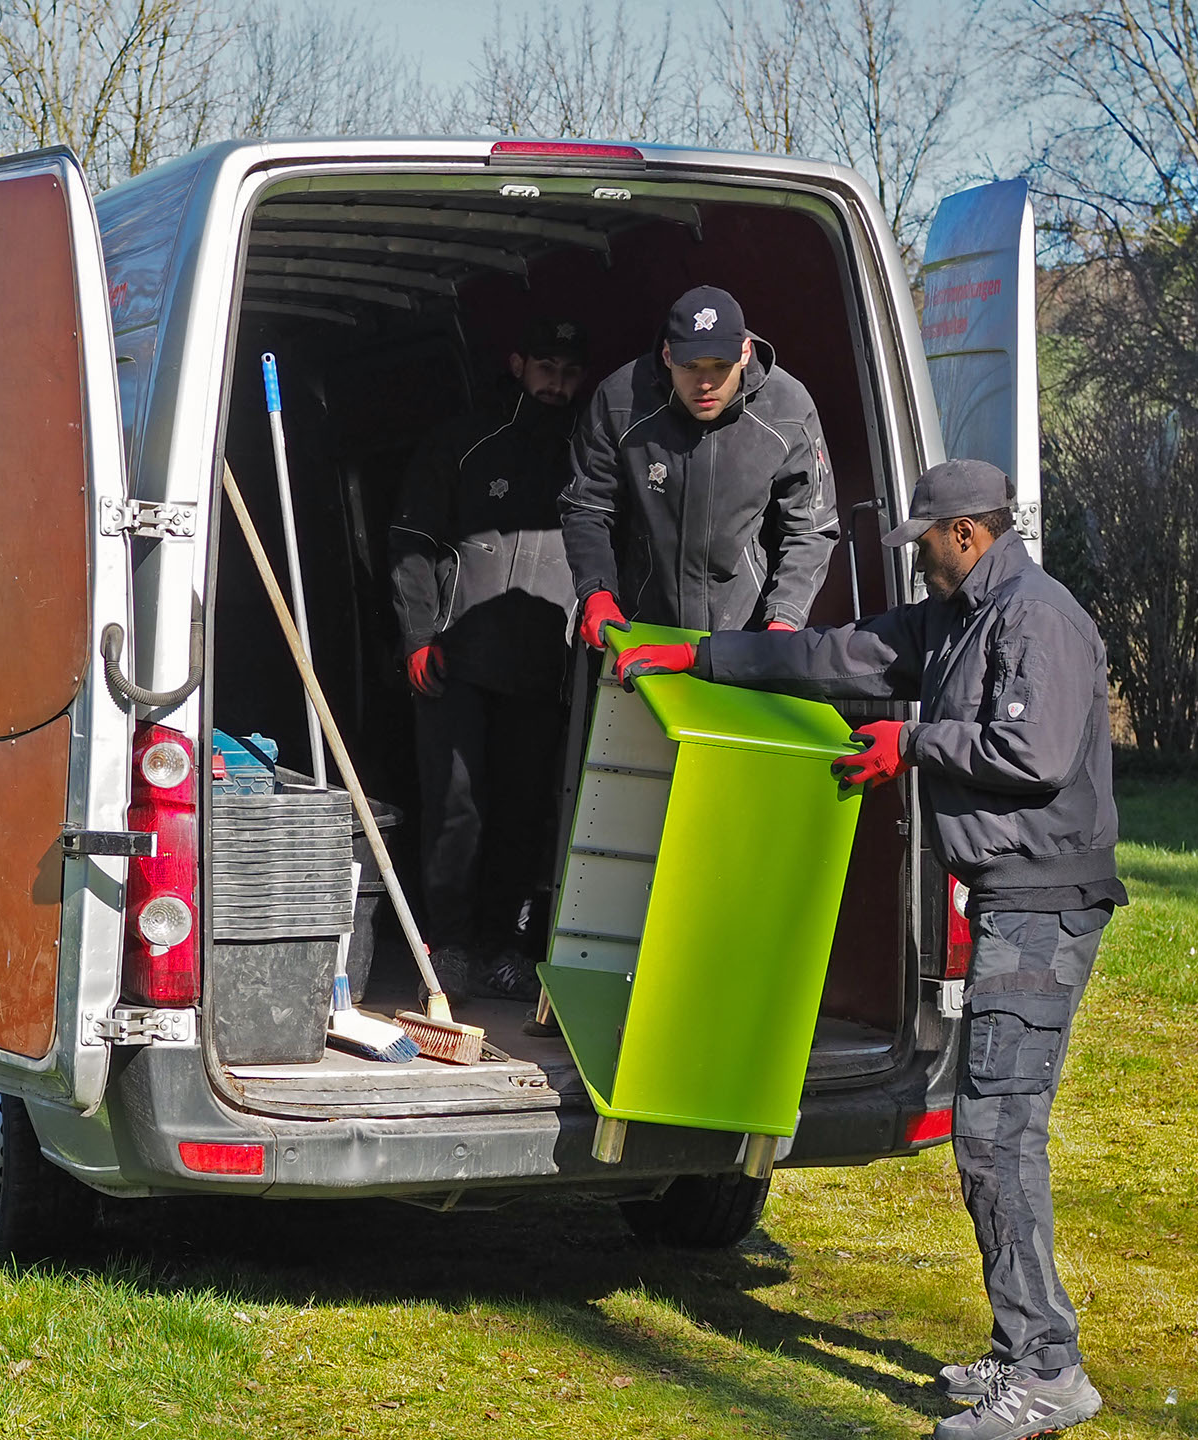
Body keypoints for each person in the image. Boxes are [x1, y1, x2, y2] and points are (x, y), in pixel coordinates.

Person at [611, 459, 1121, 1440]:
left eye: (922, 541)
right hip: (1012, 896)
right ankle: (1028, 1353)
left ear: (964, 534)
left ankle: (1047, 1370)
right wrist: (700, 661)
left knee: (996, 1134)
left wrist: (911, 743)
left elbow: (1034, 755)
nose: (915, 559)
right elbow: (837, 658)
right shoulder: (954, 616)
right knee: (991, 1133)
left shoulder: (1034, 618)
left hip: (1043, 904)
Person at [387, 316, 590, 1000]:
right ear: (517, 362)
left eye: (568, 374)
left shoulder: (587, 459)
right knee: (456, 810)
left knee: (523, 813)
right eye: (546, 370)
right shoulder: (464, 441)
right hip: (455, 664)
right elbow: (410, 540)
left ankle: (504, 944)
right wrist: (417, 637)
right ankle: (446, 947)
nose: (556, 386)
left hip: (543, 670)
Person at [561, 284, 839, 651]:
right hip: (637, 632)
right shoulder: (619, 401)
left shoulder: (788, 410)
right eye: (689, 367)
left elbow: (811, 529)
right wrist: (597, 593)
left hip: (744, 641)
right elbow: (587, 506)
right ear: (666, 355)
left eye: (720, 367)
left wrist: (783, 622)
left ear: (744, 352)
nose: (705, 384)